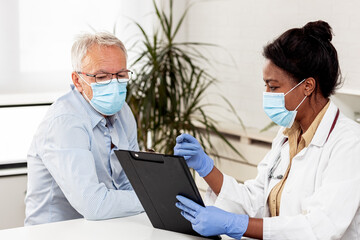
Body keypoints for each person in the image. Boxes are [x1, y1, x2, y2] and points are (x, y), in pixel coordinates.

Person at [174, 20, 360, 239]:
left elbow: (318, 228)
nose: (266, 94)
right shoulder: (287, 134)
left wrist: (236, 224)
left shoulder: (349, 143)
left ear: (308, 86)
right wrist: (206, 168)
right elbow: (256, 200)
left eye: (273, 87)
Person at [25, 32, 144, 225]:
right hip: (54, 234)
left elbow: (132, 180)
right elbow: (93, 204)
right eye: (102, 76)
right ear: (78, 80)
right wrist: (151, 199)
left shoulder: (123, 112)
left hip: (106, 227)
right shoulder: (65, 121)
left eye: (121, 75)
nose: (113, 84)